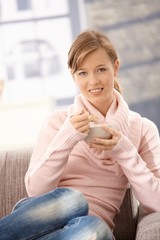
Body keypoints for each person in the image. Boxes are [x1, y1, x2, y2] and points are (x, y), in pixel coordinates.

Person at [0, 30, 160, 240]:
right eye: (82, 73)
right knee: (73, 199)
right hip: (42, 221)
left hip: (89, 232)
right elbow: (36, 191)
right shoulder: (58, 122)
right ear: (73, 76)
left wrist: (124, 149)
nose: (93, 81)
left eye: (101, 69)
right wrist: (68, 136)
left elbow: (156, 202)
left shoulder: (142, 129)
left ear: (116, 67)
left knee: (93, 228)